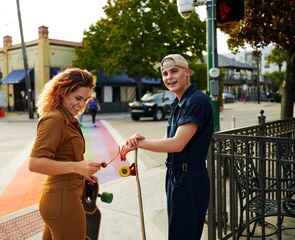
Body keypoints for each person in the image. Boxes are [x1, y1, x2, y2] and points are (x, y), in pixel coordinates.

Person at [120, 54, 214, 240]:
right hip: (176, 177)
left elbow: (177, 144)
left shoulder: (196, 101)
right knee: (177, 233)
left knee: (183, 235)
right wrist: (142, 139)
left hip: (190, 179)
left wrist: (139, 144)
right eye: (164, 73)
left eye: (174, 71)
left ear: (187, 72)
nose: (169, 77)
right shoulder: (179, 102)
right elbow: (168, 140)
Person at [28, 68, 102, 240]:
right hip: (63, 201)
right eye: (78, 98)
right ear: (62, 92)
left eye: (85, 100)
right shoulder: (55, 120)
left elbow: (63, 158)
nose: (81, 105)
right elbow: (35, 163)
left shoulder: (66, 118)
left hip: (61, 199)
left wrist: (81, 174)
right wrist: (77, 167)